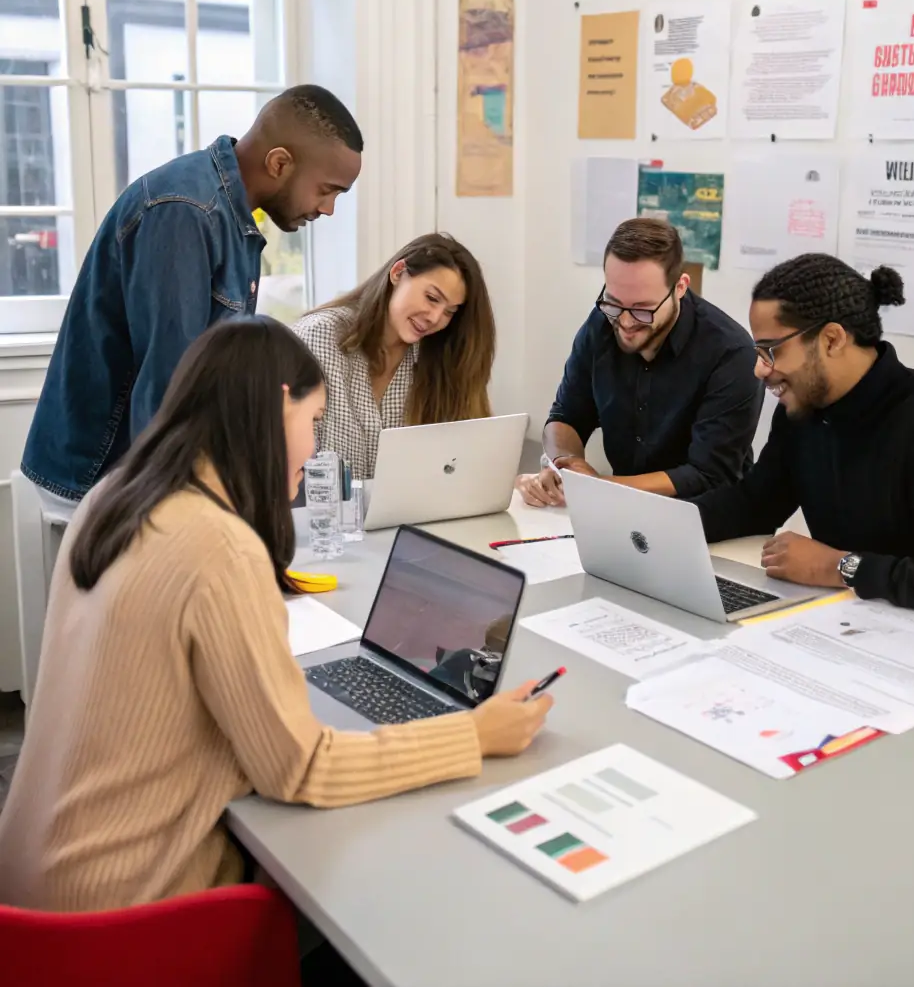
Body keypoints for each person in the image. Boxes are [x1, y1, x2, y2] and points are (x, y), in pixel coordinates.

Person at [0, 317, 553, 913]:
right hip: (122, 911)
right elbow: (302, 770)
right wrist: (474, 733)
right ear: (277, 403)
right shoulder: (217, 545)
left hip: (35, 877)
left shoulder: (114, 496)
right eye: (314, 423)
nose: (315, 447)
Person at [21, 86, 363, 513]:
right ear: (279, 163)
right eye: (327, 191)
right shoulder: (184, 211)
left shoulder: (229, 216)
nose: (328, 209)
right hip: (102, 477)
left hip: (140, 469)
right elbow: (168, 387)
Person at [694, 253, 914, 626]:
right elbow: (753, 504)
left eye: (772, 350)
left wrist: (842, 567)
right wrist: (658, 527)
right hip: (846, 625)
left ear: (832, 339)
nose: (760, 369)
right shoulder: (804, 411)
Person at [518, 218, 763, 507]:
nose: (624, 321)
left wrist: (597, 486)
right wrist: (564, 465)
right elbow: (566, 415)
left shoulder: (730, 352)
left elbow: (708, 473)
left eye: (642, 309)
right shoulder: (601, 326)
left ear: (680, 287)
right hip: (624, 509)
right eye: (614, 302)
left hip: (709, 518)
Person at [293, 232, 495, 479]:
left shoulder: (438, 360)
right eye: (432, 298)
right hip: (320, 516)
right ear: (398, 272)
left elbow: (470, 464)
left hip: (414, 517)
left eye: (449, 312)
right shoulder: (318, 338)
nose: (434, 318)